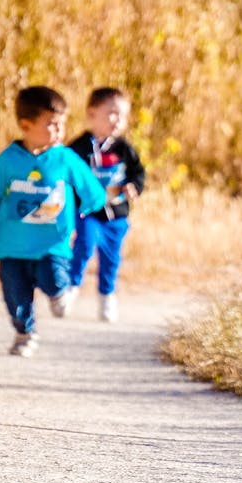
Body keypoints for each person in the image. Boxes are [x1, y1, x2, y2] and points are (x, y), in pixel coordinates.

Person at [0, 86, 106, 357]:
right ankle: (24, 333)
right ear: (25, 125)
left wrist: (90, 206)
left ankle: (59, 292)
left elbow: (90, 188)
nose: (59, 131)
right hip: (11, 247)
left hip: (52, 244)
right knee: (15, 295)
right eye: (51, 124)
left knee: (53, 280)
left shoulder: (64, 157)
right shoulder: (7, 162)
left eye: (62, 124)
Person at [65, 87, 146, 323]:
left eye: (122, 116)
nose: (117, 120)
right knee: (84, 245)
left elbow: (137, 172)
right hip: (88, 211)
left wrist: (134, 186)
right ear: (92, 114)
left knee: (111, 257)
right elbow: (66, 172)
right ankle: (70, 288)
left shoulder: (123, 148)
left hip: (116, 213)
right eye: (111, 113)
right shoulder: (79, 147)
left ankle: (106, 296)